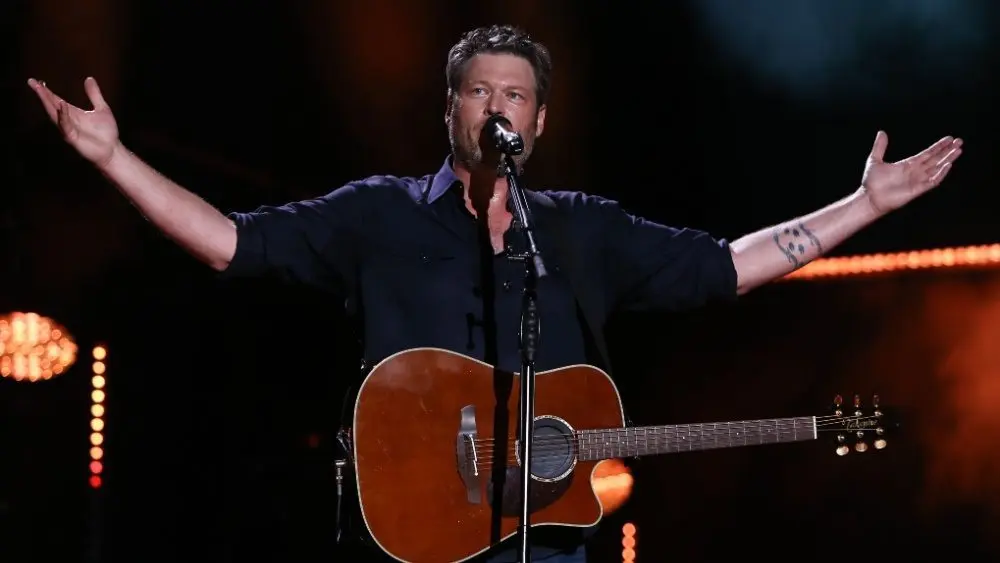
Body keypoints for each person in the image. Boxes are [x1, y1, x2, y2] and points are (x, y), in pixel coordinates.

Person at [28, 23, 962, 563]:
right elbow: (231, 243)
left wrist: (863, 205)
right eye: (480, 93)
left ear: (540, 120)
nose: (498, 109)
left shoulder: (586, 228)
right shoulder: (377, 216)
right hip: (406, 538)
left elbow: (729, 263)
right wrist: (117, 162)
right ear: (451, 110)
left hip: (542, 553)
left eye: (515, 95)